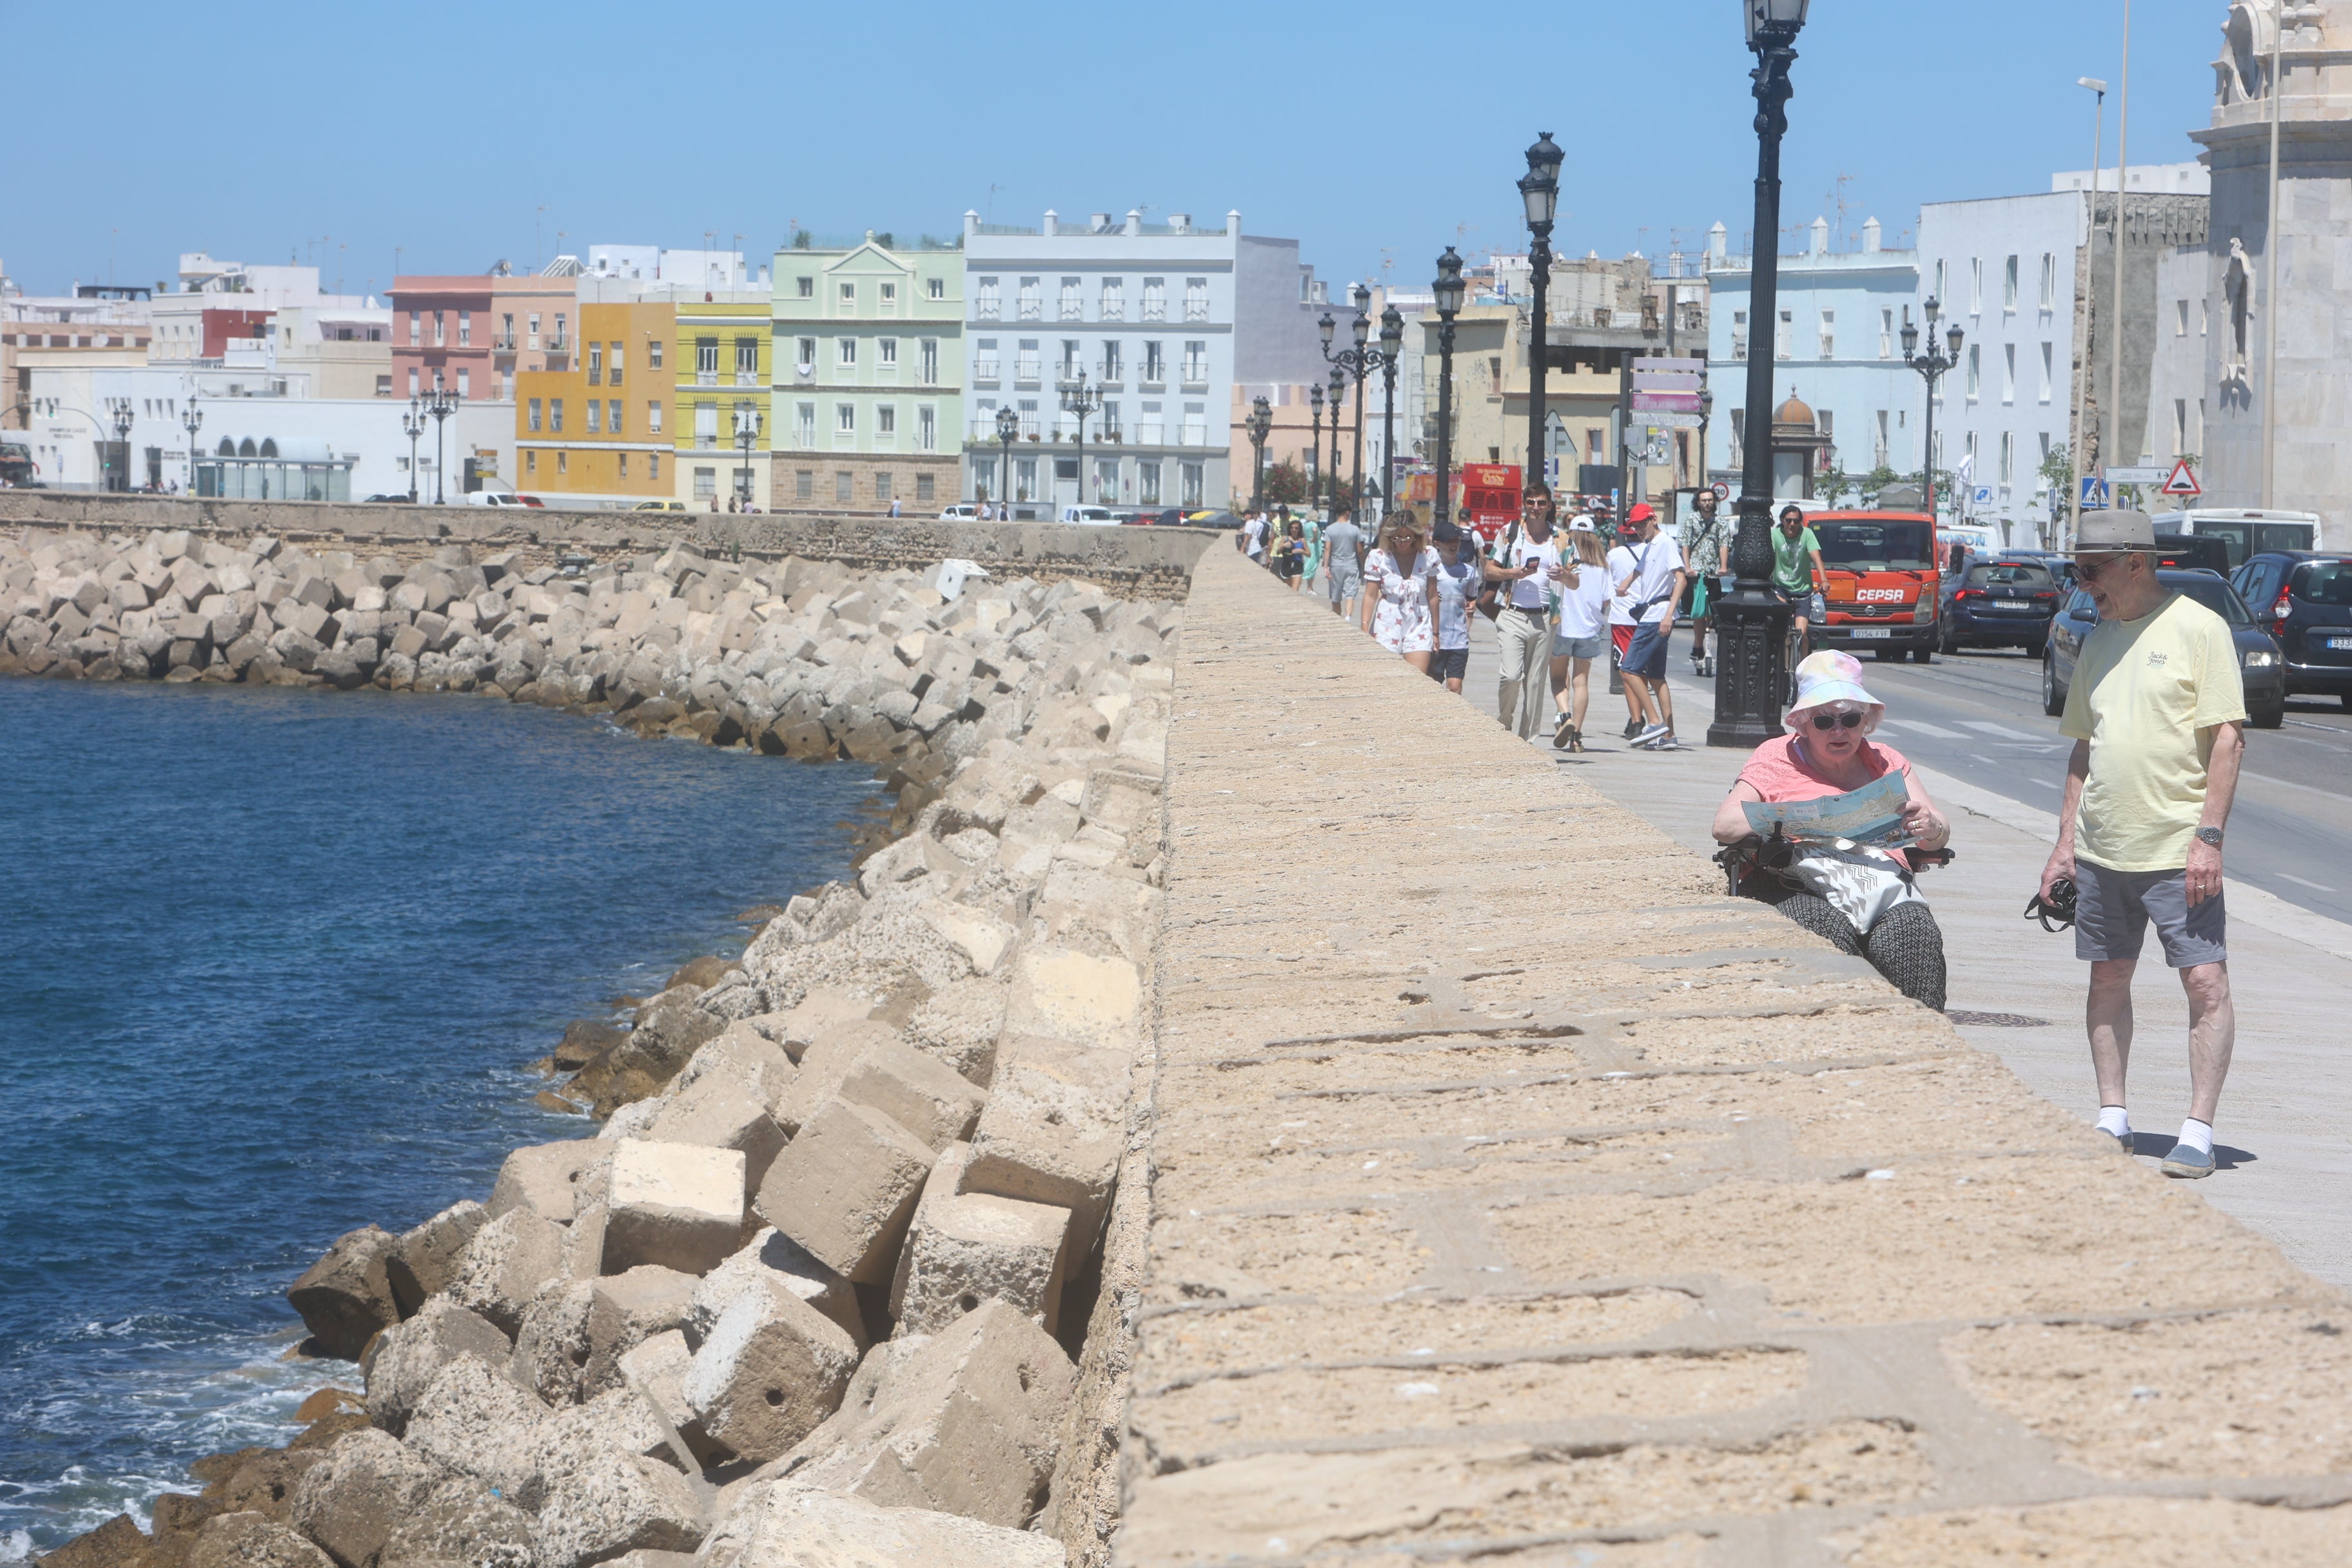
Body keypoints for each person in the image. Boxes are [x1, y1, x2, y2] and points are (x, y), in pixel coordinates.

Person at [2037, 509, 2247, 1179]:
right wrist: (2063, 844)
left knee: (2205, 981)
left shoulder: (2199, 629)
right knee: (2107, 978)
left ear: (2136, 562)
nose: (2083, 584)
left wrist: (2208, 838)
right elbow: (2082, 748)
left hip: (2177, 849)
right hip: (2103, 848)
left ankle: (2198, 1129)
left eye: (2091, 571)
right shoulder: (2097, 639)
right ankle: (2113, 1116)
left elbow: (2228, 738)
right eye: (2077, 570)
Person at [1712, 651, 1952, 1010]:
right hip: (1792, 883)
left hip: (1878, 886)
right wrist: (1795, 819)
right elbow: (1724, 826)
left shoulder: (1887, 761)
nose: (1839, 731)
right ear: (1804, 723)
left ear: (1865, 722)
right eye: (1825, 722)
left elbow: (1939, 831)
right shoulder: (1775, 757)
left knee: (1914, 934)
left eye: (1851, 719)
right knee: (1824, 932)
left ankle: (1926, 1047)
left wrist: (1931, 826)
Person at [1610, 502, 1687, 750]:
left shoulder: (1665, 543)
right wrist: (1625, 584)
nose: (1639, 529)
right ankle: (1668, 735)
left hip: (1657, 615)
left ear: (1654, 519)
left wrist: (1668, 614)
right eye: (1635, 526)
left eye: (1643, 524)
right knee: (1656, 676)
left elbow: (1681, 579)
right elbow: (1638, 570)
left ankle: (1654, 721)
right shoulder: (1650, 546)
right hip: (1652, 614)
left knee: (1628, 669)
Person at [1484, 490, 1558, 740]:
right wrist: (1512, 574)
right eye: (1531, 502)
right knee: (1511, 676)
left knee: (1535, 683)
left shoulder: (1560, 539)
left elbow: (1576, 581)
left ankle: (1527, 741)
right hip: (1512, 614)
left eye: (1541, 503)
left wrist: (1565, 576)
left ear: (1549, 506)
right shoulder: (1510, 533)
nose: (1536, 507)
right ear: (1524, 505)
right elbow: (1489, 570)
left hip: (1545, 618)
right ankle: (1504, 725)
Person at [1547, 520, 1612, 751]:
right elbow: (1606, 600)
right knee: (1581, 681)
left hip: (1564, 626)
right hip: (1589, 629)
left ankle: (1565, 715)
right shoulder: (1602, 566)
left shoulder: (1564, 561)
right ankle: (1576, 737)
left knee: (1557, 678)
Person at [1361, 511, 1441, 673]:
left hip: (1419, 622)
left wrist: (1436, 633)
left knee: (1417, 678)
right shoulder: (1379, 557)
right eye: (1398, 537)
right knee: (1387, 678)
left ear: (1416, 535)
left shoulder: (1428, 556)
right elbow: (1370, 596)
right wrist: (1364, 628)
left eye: (1407, 537)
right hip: (1387, 622)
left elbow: (1433, 596)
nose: (1403, 542)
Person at [1681, 489, 1730, 676]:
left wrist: (1723, 566)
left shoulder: (1721, 522)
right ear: (1698, 502)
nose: (1707, 503)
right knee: (1699, 613)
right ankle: (1698, 645)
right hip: (1696, 573)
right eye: (1704, 500)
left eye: (1710, 500)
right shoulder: (1690, 521)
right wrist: (1688, 567)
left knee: (1712, 613)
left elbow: (1724, 545)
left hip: (1713, 572)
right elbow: (1685, 545)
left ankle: (1707, 646)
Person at [1429, 519, 1481, 694]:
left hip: (1458, 639)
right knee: (1433, 685)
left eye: (1456, 541)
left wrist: (1471, 607)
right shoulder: (1432, 570)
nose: (1453, 545)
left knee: (1454, 686)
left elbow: (1472, 598)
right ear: (1437, 543)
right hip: (1435, 638)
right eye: (1448, 541)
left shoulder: (1469, 572)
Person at [1771, 502, 1827, 656]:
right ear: (1782, 520)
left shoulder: (1807, 534)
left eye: (1796, 521)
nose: (1792, 524)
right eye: (1788, 520)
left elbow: (1817, 559)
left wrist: (1824, 581)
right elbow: (1769, 558)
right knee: (1782, 628)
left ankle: (1803, 666)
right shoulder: (1775, 535)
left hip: (1803, 591)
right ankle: (1783, 664)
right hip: (1781, 589)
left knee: (1802, 633)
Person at [1323, 508, 1365, 620]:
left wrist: (1325, 566)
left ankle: (1337, 617)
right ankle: (1348, 617)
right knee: (1350, 594)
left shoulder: (1330, 529)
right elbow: (1360, 550)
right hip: (1351, 564)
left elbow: (1327, 548)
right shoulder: (1355, 529)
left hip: (1336, 565)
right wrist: (1363, 564)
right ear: (1348, 512)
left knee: (1336, 595)